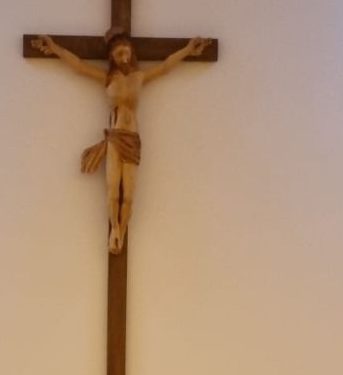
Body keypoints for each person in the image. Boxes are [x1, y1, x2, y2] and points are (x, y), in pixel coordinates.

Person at [32, 28, 211, 253]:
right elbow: (79, 66)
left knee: (129, 195)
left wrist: (187, 50)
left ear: (132, 53)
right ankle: (114, 230)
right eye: (119, 55)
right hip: (115, 139)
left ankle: (122, 231)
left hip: (132, 139)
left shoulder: (139, 77)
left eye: (127, 53)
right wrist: (54, 48)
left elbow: (165, 66)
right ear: (112, 57)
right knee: (113, 192)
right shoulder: (108, 79)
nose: (124, 58)